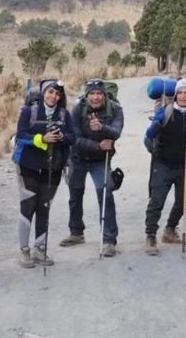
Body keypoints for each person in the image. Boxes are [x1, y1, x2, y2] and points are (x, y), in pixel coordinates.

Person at [143, 78, 186, 255]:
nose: (183, 96)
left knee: (182, 201)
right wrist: (156, 125)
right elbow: (149, 133)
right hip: (163, 163)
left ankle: (170, 230)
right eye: (180, 92)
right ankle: (150, 235)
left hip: (185, 164)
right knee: (157, 201)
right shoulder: (166, 110)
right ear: (176, 95)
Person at [13, 80, 75, 268]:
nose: (53, 96)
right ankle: (24, 250)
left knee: (44, 207)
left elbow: (73, 137)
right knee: (28, 205)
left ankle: (40, 249)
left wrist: (62, 137)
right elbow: (21, 135)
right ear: (42, 93)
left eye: (57, 93)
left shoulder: (65, 114)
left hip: (53, 168)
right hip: (28, 167)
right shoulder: (28, 111)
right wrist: (41, 139)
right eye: (50, 92)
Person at [60, 79, 124, 257]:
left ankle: (109, 240)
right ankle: (76, 232)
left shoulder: (115, 108)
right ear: (86, 95)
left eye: (99, 94)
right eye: (92, 94)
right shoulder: (78, 109)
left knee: (105, 194)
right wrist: (98, 146)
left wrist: (102, 128)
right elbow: (74, 138)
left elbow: (117, 131)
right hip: (78, 158)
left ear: (104, 95)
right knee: (75, 194)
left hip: (101, 161)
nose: (95, 97)